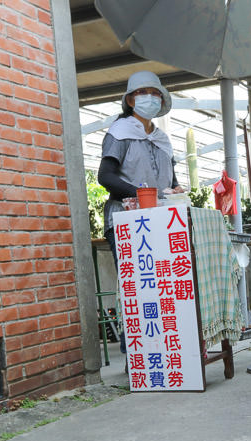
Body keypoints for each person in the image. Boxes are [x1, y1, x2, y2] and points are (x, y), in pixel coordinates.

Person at [97, 70, 185, 358]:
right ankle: (135, 354)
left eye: (155, 92)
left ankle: (161, 348)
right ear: (130, 100)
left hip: (158, 221)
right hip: (125, 218)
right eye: (142, 92)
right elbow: (105, 176)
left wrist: (174, 188)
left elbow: (169, 182)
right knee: (137, 284)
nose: (150, 97)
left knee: (160, 283)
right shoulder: (119, 133)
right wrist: (140, 194)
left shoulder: (163, 139)